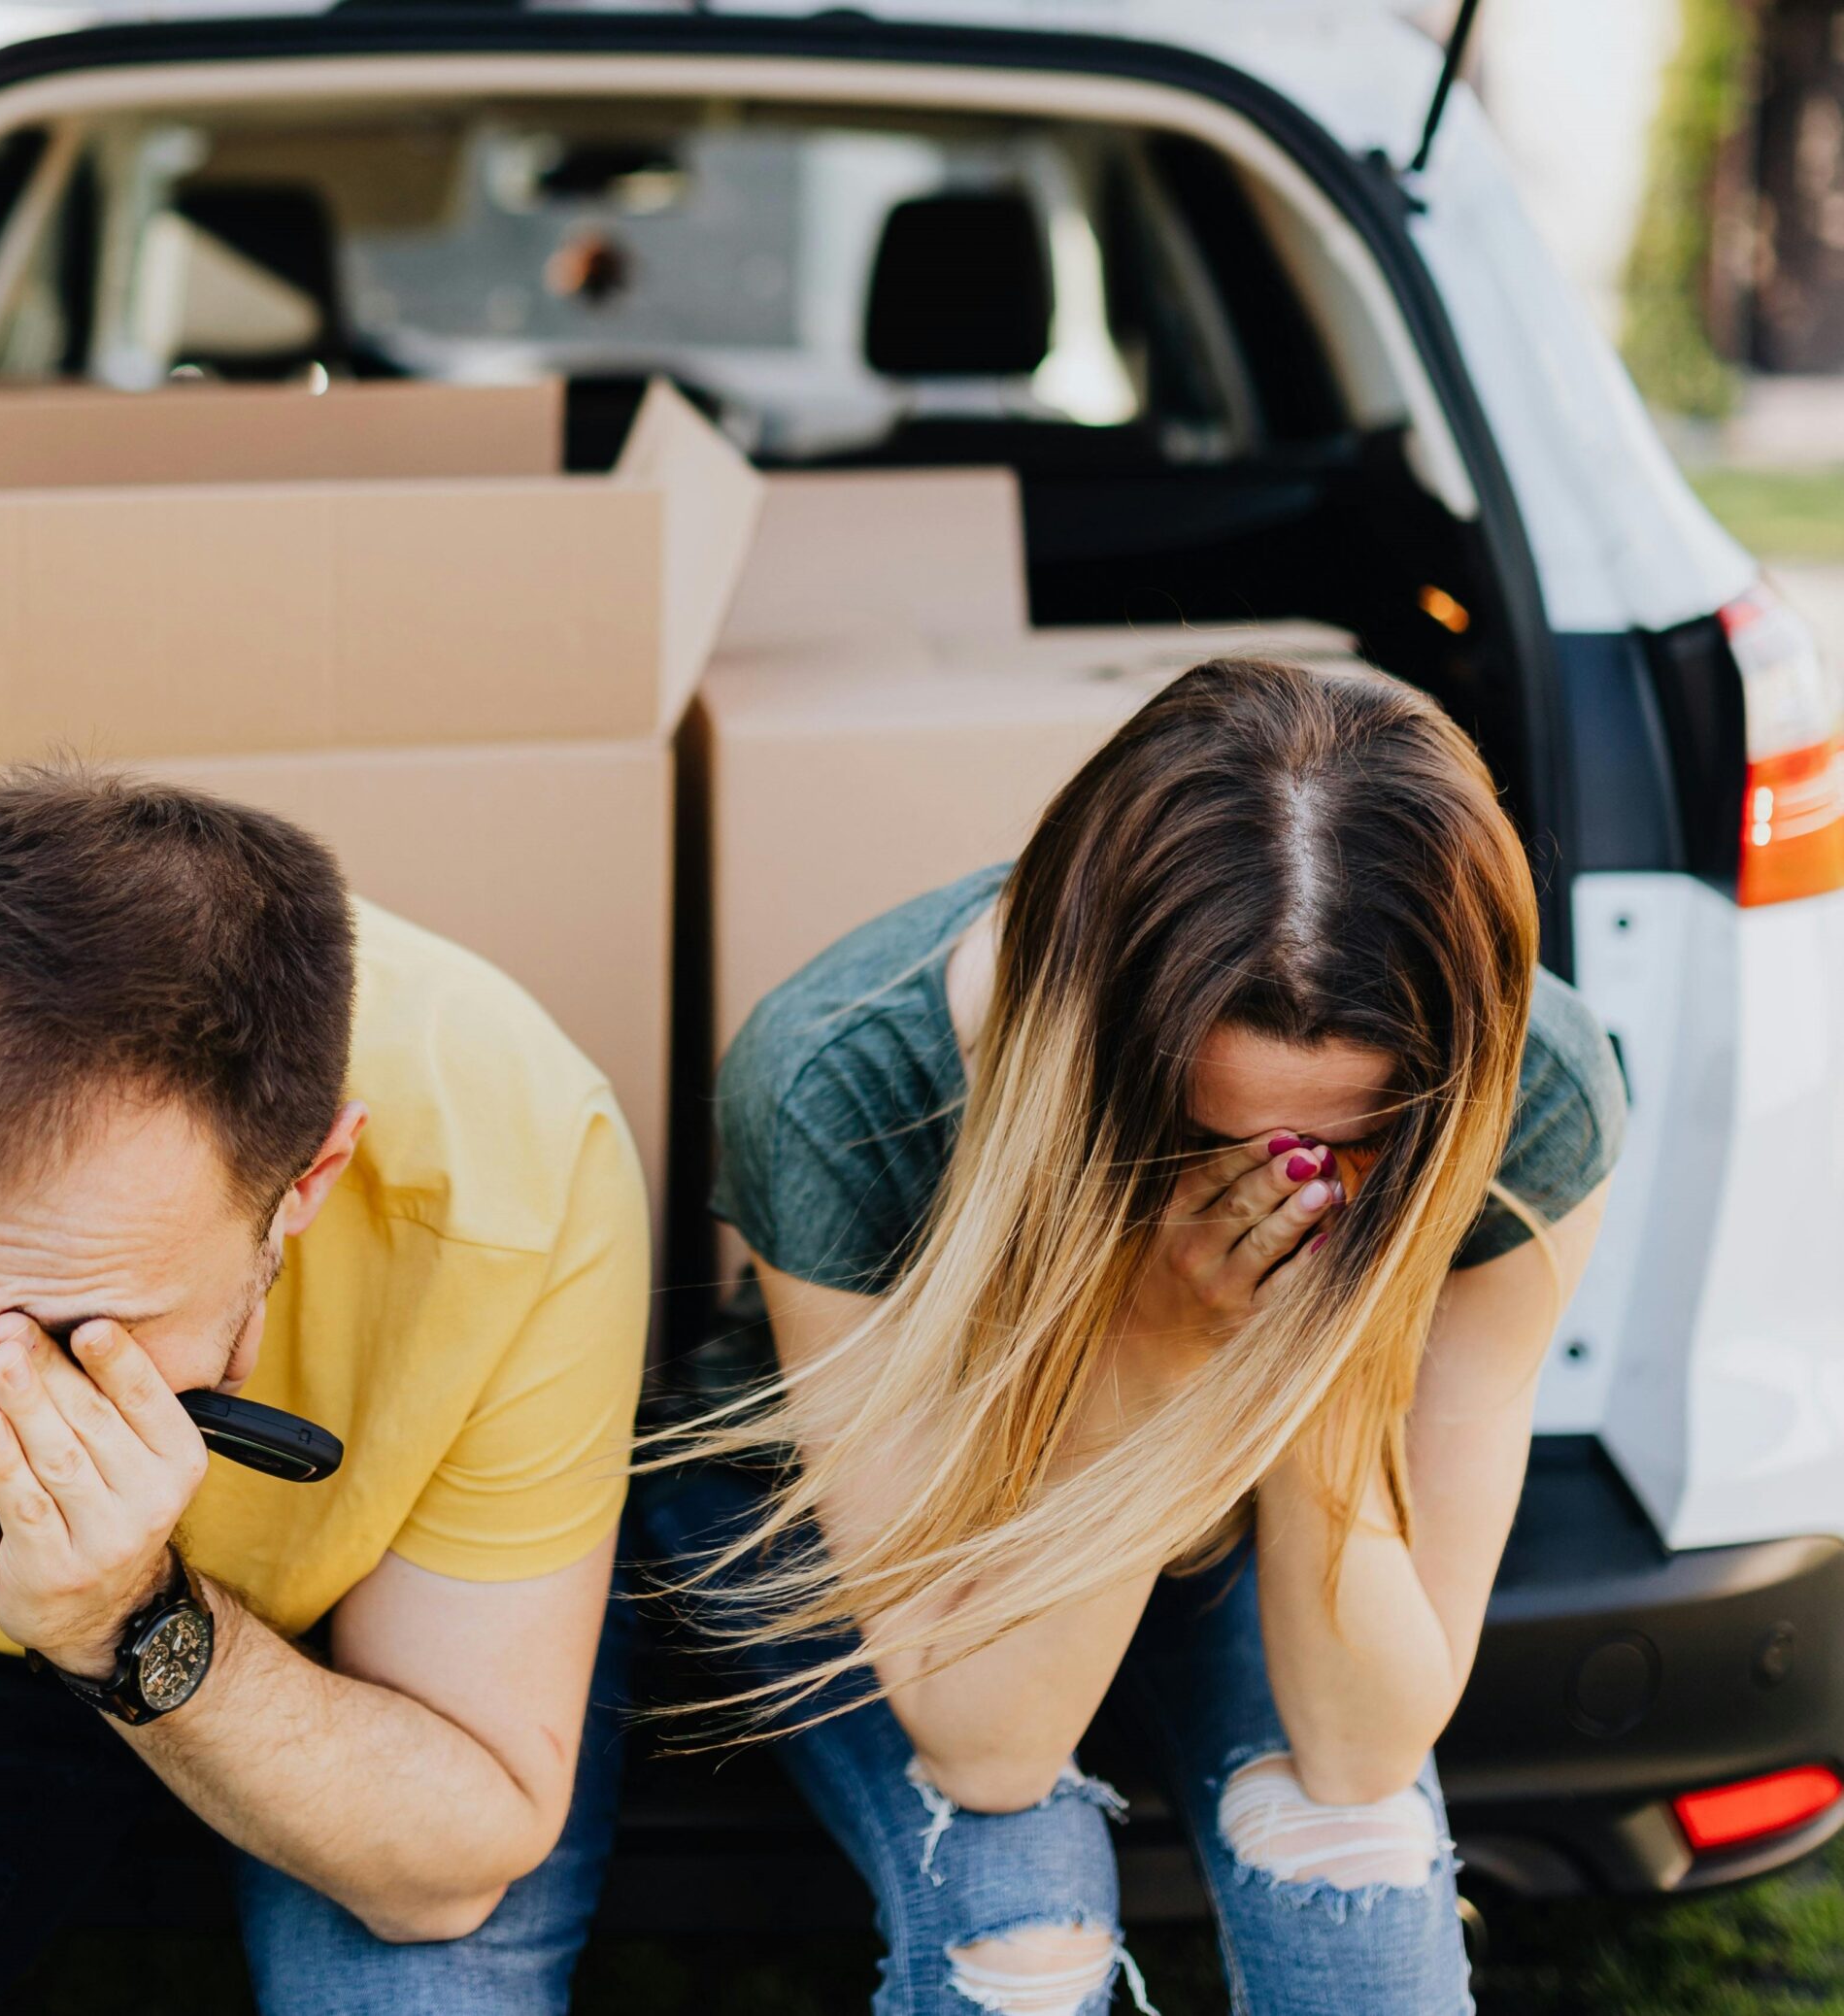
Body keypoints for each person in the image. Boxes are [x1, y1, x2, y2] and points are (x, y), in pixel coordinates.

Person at [0, 765, 651, 2015]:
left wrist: (125, 1615)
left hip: (362, 1661)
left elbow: (443, 1881)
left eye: (84, 1329)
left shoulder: (523, 1169)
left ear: (305, 1186)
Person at [642, 656, 1625, 2016]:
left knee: (1359, 1858)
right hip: (858, 1516)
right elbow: (988, 1748)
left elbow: (1364, 1748)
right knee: (1019, 1944)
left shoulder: (1539, 1091)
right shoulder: (842, 1075)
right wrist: (1154, 1346)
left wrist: (1308, 1341)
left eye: (1343, 1144)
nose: (1273, 1181)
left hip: (1238, 1517)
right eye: (1194, 1128)